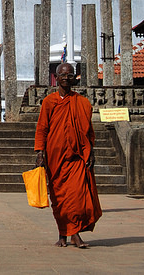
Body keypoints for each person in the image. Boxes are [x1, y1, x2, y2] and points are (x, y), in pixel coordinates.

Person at [34, 63, 102, 248]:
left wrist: (91, 152)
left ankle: (75, 233)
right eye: (63, 75)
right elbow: (42, 128)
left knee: (77, 198)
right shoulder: (49, 102)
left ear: (74, 78)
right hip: (55, 158)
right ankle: (63, 234)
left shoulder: (82, 103)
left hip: (77, 157)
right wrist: (40, 152)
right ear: (56, 77)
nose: (66, 78)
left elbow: (89, 132)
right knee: (59, 198)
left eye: (70, 75)